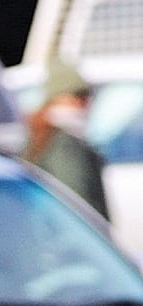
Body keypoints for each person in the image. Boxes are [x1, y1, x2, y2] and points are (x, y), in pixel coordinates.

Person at [26, 62, 109, 218]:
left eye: (87, 95)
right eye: (77, 95)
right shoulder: (65, 143)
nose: (84, 102)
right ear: (55, 98)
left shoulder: (38, 134)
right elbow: (80, 203)